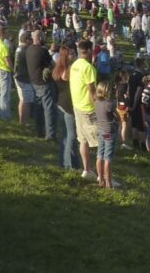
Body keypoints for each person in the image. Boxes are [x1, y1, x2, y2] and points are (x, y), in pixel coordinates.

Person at [69, 38, 99, 179]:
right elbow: (92, 92)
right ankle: (102, 174)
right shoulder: (89, 68)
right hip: (88, 109)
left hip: (77, 105)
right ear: (88, 51)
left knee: (83, 140)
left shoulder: (75, 65)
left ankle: (87, 170)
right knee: (101, 143)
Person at [52, 41, 80, 171]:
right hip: (68, 106)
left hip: (61, 103)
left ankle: (69, 162)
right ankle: (68, 164)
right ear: (66, 56)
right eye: (72, 54)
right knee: (71, 136)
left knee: (66, 135)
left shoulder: (59, 68)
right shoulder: (69, 71)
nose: (74, 55)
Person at [27, 29, 57, 141]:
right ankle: (50, 135)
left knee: (38, 108)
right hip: (44, 83)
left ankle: (39, 131)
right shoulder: (42, 51)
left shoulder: (29, 49)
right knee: (49, 109)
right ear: (39, 38)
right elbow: (52, 64)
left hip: (33, 81)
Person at [94, 79, 117, 188]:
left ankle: (101, 180)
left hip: (100, 130)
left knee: (100, 155)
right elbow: (117, 115)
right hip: (109, 131)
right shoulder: (110, 104)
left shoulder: (96, 102)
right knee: (108, 158)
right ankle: (108, 182)